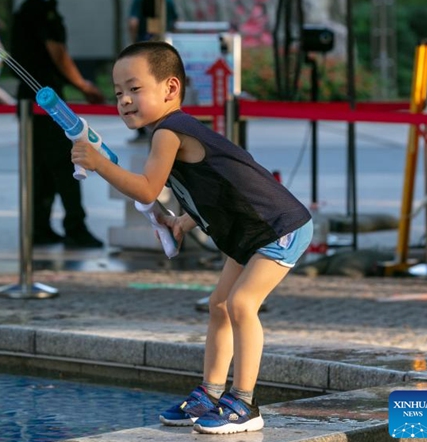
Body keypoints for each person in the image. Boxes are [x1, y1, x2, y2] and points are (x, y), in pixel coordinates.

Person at [71, 41, 313, 435]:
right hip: (249, 230)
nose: (125, 100)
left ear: (169, 88)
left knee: (241, 303)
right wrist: (184, 222)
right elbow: (216, 187)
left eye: (134, 89)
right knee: (219, 304)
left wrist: (98, 163)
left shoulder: (169, 131)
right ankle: (210, 394)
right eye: (118, 93)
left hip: (279, 227)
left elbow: (149, 189)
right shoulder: (173, 131)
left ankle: (245, 404)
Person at [11, 0, 106, 248]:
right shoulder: (43, 8)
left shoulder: (30, 7)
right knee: (66, 163)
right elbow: (58, 53)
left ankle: (39, 226)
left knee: (41, 165)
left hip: (32, 99)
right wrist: (84, 85)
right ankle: (75, 226)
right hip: (46, 101)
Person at [126, 0, 178, 144]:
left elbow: (133, 22)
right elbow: (175, 22)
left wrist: (134, 42)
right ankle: (164, 126)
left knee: (138, 88)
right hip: (163, 50)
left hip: (143, 51)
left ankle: (143, 129)